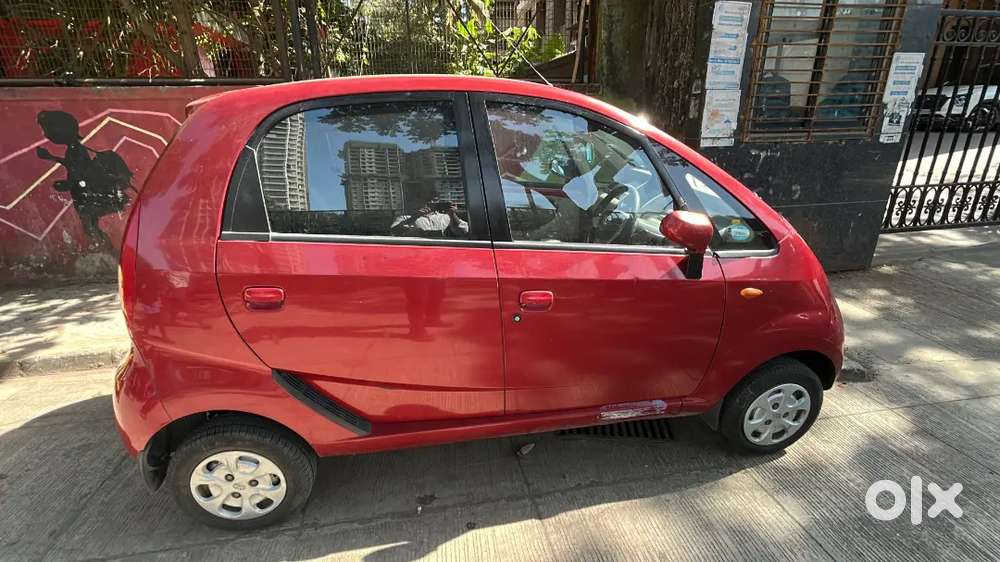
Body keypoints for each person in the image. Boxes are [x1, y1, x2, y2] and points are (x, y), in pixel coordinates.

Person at [390, 199, 468, 238]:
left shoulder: (447, 217)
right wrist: (415, 217)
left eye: (434, 201)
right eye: (427, 201)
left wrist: (452, 213)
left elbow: (463, 232)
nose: (431, 203)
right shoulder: (406, 218)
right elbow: (394, 232)